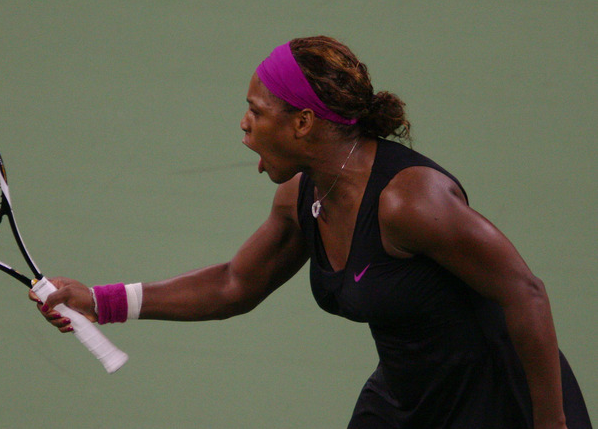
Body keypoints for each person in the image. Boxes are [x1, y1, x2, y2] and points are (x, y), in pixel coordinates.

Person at [30, 36, 592, 428]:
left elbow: (525, 291)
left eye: (256, 111)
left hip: (500, 399)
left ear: (302, 122)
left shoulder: (410, 202)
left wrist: (551, 424)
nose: (244, 124)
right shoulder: (302, 197)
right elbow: (233, 284)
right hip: (405, 398)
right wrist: (99, 301)